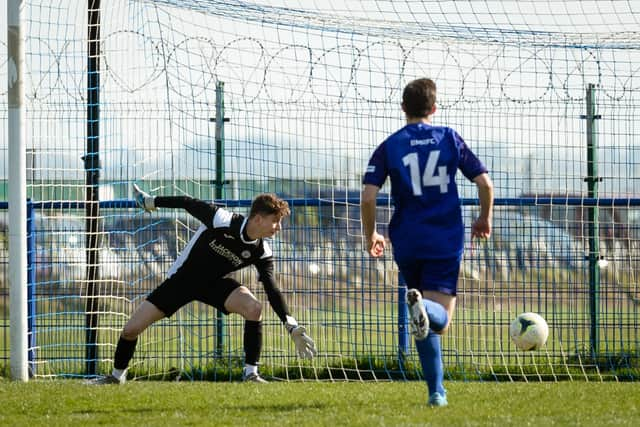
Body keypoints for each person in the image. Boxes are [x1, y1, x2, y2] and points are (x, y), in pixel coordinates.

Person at [91, 185, 317, 384]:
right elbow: (187, 202)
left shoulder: (262, 251)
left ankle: (251, 374)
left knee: (254, 308)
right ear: (259, 218)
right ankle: (116, 376)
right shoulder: (222, 220)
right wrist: (150, 202)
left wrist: (291, 325)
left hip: (214, 285)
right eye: (276, 221)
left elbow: (272, 288)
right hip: (183, 280)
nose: (278, 227)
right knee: (131, 330)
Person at [360, 78, 493, 406]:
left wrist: (370, 234)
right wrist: (483, 218)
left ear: (403, 107)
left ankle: (437, 392)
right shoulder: (449, 137)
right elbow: (485, 184)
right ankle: (435, 386)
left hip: (406, 238)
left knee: (422, 320)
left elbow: (367, 196)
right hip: (444, 237)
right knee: (440, 319)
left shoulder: (391, 144)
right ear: (434, 108)